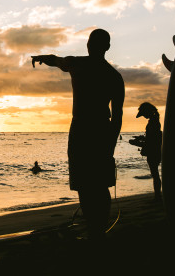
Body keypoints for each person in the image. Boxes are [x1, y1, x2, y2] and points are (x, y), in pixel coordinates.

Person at [32, 28, 124, 240]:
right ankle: (97, 229)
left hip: (85, 129)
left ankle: (96, 230)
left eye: (93, 42)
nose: (91, 45)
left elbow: (56, 60)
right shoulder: (112, 75)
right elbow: (117, 117)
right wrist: (110, 144)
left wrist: (41, 58)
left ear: (95, 45)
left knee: (89, 184)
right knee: (95, 184)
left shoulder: (82, 65)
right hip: (98, 130)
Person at [136, 102, 162, 201]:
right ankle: (157, 195)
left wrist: (138, 143)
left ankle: (157, 196)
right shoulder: (155, 120)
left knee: (155, 174)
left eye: (144, 114)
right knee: (155, 174)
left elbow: (151, 140)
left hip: (153, 151)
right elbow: (152, 137)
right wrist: (142, 139)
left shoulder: (153, 121)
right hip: (156, 150)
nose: (144, 116)